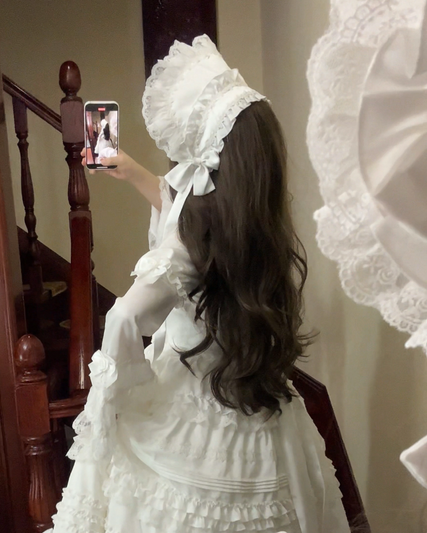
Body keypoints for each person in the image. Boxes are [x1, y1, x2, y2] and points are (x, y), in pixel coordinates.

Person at [50, 35, 349, 533]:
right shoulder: (256, 225)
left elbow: (124, 315)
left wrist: (118, 398)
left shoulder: (190, 245)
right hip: (254, 392)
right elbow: (184, 213)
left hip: (191, 402)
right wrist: (135, 173)